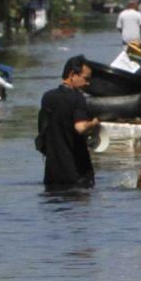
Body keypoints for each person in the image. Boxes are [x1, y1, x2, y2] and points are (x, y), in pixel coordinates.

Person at [36, 56, 98, 189]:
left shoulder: (47, 97)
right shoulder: (77, 98)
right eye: (85, 78)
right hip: (76, 173)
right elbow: (80, 128)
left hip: (52, 174)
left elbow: (43, 130)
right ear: (72, 74)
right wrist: (94, 123)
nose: (88, 83)